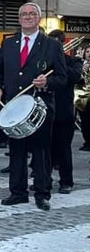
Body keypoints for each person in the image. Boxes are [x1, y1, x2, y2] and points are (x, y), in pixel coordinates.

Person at [0, 2, 67, 211]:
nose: (27, 17)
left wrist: (47, 82)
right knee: (17, 151)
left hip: (40, 108)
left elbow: (62, 77)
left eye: (32, 14)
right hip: (14, 107)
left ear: (39, 18)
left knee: (41, 151)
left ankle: (42, 194)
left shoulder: (52, 45)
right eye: (23, 14)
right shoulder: (8, 43)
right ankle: (18, 193)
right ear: (19, 18)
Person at [47, 29, 82, 194]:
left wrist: (59, 63)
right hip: (47, 110)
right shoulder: (45, 62)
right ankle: (44, 180)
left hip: (64, 112)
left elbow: (75, 76)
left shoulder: (73, 61)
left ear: (62, 45)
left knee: (64, 148)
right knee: (45, 149)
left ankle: (66, 182)